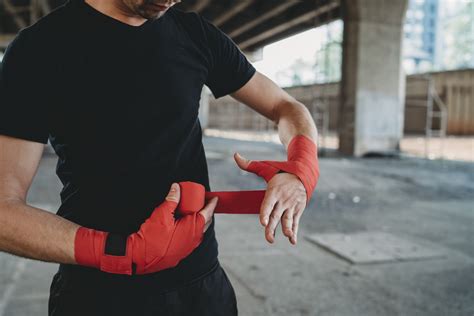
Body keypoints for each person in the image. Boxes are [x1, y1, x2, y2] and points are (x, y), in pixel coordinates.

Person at [0, 0, 319, 315]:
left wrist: (301, 167)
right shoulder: (40, 48)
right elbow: (4, 211)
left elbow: (287, 107)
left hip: (202, 288)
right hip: (98, 294)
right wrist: (123, 252)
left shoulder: (195, 34)